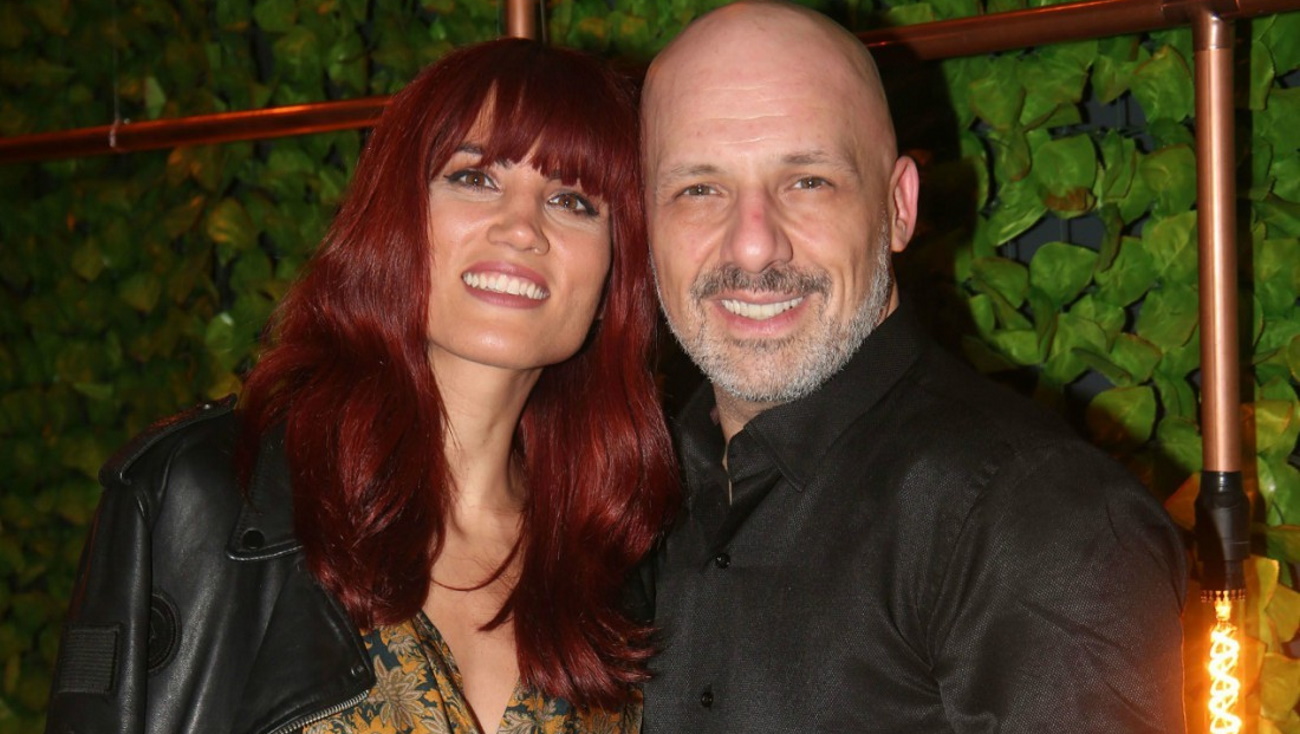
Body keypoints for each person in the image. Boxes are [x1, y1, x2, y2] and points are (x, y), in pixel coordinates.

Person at [46, 38, 678, 734]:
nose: (522, 228)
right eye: (475, 178)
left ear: (615, 275)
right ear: (394, 216)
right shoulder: (203, 495)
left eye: (572, 199)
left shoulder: (627, 553)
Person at [635, 2, 1188, 731]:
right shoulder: (636, 493)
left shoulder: (1035, 520)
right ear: (646, 222)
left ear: (898, 206)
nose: (753, 246)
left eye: (808, 181)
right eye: (699, 189)